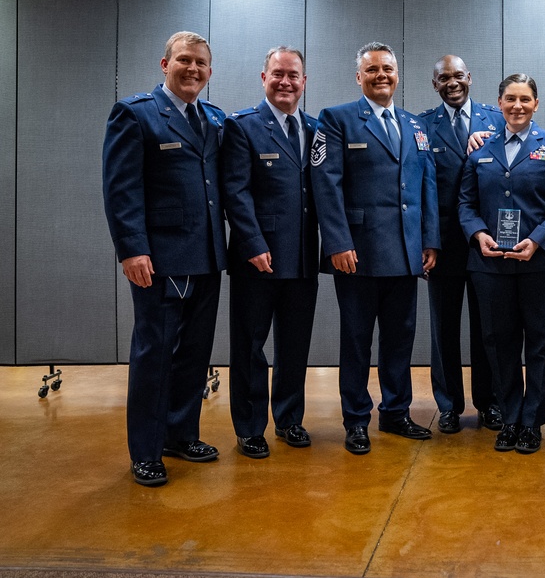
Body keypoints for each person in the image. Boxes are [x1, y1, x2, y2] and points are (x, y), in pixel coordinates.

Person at [102, 31, 227, 487]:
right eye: (184, 61)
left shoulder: (213, 119)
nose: (193, 69)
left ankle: (181, 434)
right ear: (165, 64)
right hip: (159, 259)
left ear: (210, 72)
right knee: (154, 355)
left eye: (201, 63)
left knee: (194, 354)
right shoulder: (135, 115)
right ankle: (147, 451)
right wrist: (132, 249)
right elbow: (121, 189)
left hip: (208, 255)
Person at [310, 41, 440, 455]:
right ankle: (356, 419)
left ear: (397, 74)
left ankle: (397, 412)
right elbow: (325, 184)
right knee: (357, 341)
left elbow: (426, 186)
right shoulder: (337, 119)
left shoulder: (415, 124)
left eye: (388, 68)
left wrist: (430, 240)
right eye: (372, 70)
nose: (381, 75)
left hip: (406, 253)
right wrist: (337, 242)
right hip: (358, 254)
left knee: (400, 338)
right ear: (359, 77)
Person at [458, 73, 545, 454]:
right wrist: (478, 234)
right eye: (510, 98)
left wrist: (539, 239)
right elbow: (465, 203)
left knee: (542, 346)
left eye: (525, 99)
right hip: (491, 265)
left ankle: (531, 422)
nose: (517, 105)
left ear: (536, 104)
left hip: (543, 264)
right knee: (499, 343)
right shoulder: (480, 149)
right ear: (499, 104)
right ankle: (510, 418)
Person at [221, 46, 319, 459]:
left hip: (301, 259)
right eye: (277, 74)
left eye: (293, 75)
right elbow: (235, 192)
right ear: (264, 78)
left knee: (294, 346)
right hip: (256, 259)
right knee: (249, 347)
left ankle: (290, 419)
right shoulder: (242, 126)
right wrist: (254, 244)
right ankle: (248, 427)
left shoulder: (315, 130)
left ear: (303, 82)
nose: (285, 82)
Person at [418, 55, 505, 434]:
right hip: (443, 246)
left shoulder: (497, 119)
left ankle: (490, 403)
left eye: (457, 76)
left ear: (470, 77)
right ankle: (449, 404)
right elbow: (420, 187)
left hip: (486, 240)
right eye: (443, 79)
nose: (452, 83)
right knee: (444, 330)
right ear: (434, 84)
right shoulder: (421, 125)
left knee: (490, 327)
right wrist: (426, 241)